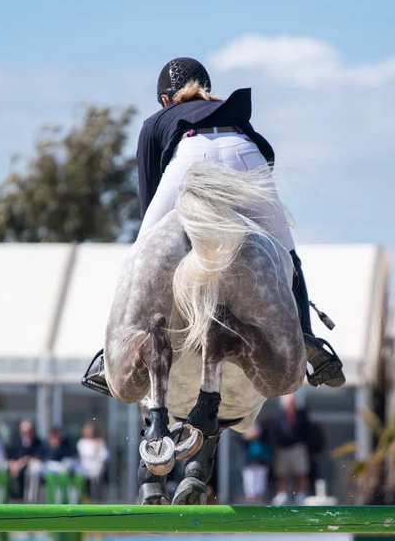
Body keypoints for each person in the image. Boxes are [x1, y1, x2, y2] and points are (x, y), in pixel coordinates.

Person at [82, 57, 345, 395]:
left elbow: (148, 191)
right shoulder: (229, 110)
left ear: (166, 99)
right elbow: (266, 153)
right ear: (204, 89)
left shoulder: (158, 120)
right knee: (289, 258)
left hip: (190, 156)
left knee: (140, 257)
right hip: (245, 155)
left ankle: (112, 358)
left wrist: (155, 239)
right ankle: (307, 339)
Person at [271, 393, 311, 505]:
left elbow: (307, 431)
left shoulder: (301, 415)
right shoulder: (278, 415)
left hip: (297, 447)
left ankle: (300, 494)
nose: (291, 404)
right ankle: (282, 494)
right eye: (289, 402)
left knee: (301, 472)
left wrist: (304, 444)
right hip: (282, 449)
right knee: (281, 473)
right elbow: (274, 432)